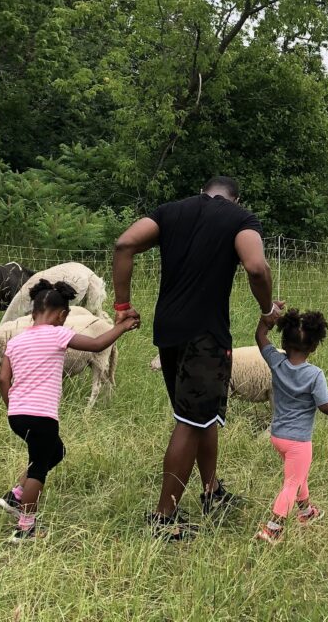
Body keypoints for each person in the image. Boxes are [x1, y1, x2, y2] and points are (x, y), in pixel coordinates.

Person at [112, 175, 279, 540]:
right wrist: (268, 309)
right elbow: (256, 267)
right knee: (189, 421)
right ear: (235, 199)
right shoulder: (240, 219)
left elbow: (124, 243)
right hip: (205, 335)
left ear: (202, 191)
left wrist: (122, 305)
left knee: (203, 416)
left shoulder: (171, 212)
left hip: (168, 330)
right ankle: (163, 518)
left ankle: (211, 492)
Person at [0, 279, 138, 541]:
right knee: (39, 468)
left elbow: (3, 379)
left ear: (33, 312)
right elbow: (97, 345)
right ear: (62, 315)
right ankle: (25, 528)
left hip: (17, 414)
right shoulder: (58, 334)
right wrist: (122, 326)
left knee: (56, 451)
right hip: (42, 416)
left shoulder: (15, 341)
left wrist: (11, 406)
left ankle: (16, 496)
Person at [253, 307, 328, 545]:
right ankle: (273, 528)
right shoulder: (315, 375)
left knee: (298, 475)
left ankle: (306, 512)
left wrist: (268, 316)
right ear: (314, 347)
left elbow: (260, 337)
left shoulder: (277, 363)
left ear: (284, 343)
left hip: (278, 436)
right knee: (292, 483)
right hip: (299, 441)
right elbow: (324, 405)